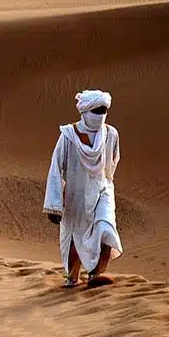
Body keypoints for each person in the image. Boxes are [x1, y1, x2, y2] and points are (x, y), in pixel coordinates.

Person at [43, 90, 123, 288]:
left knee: (106, 228)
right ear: (85, 111)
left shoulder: (111, 134)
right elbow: (55, 168)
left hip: (103, 190)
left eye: (104, 110)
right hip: (76, 194)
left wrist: (104, 183)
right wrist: (54, 205)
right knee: (75, 236)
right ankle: (72, 277)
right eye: (97, 110)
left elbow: (112, 162)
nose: (101, 114)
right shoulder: (68, 136)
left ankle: (96, 274)